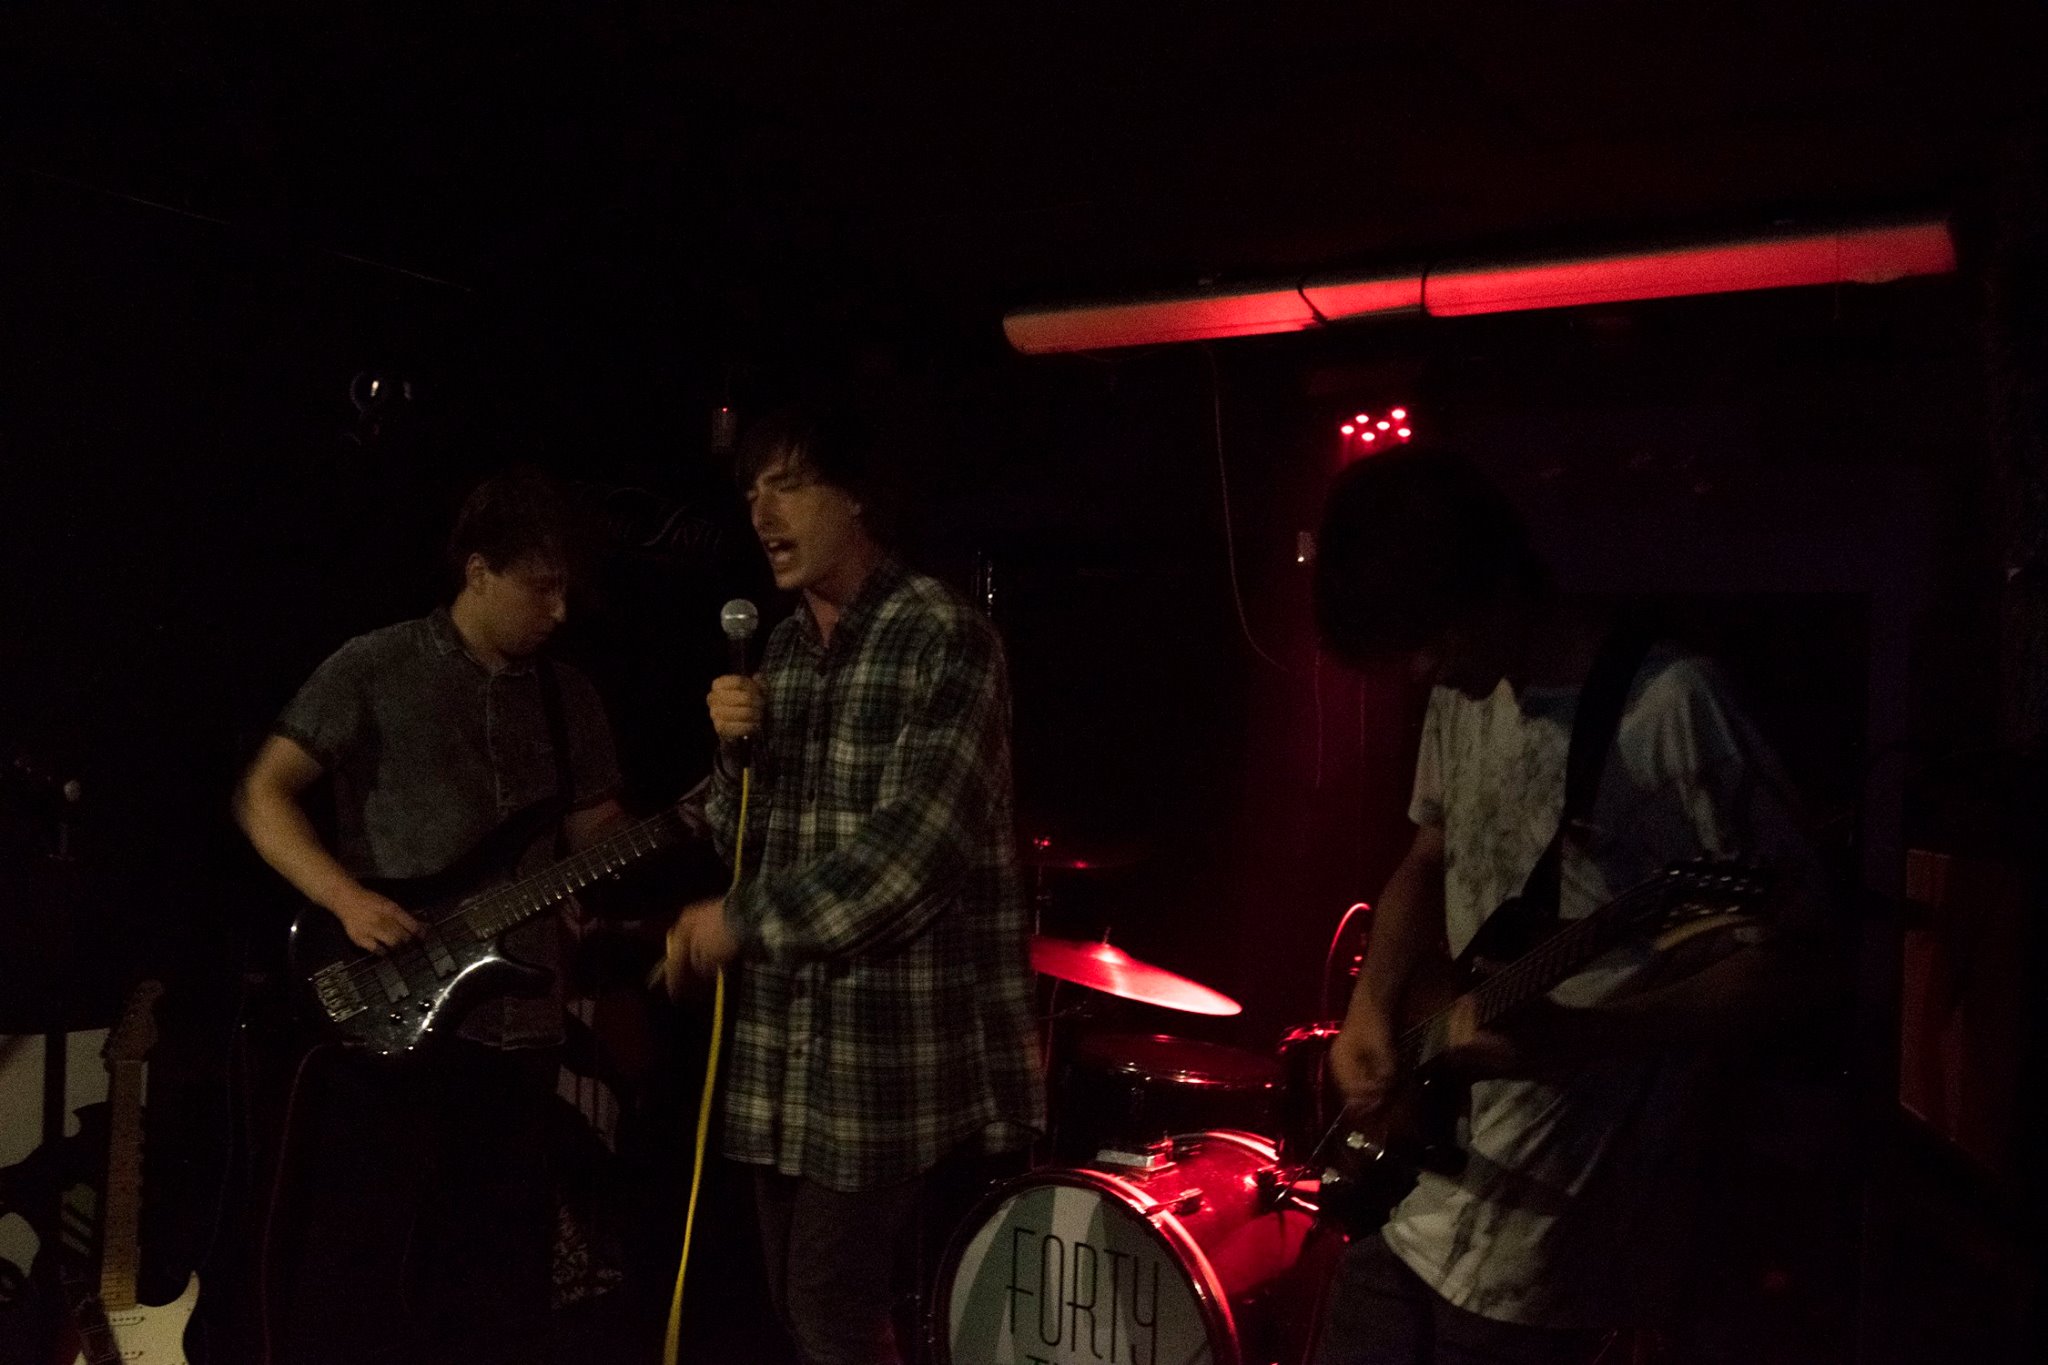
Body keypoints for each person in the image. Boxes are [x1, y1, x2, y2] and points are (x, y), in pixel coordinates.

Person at [1306, 448, 1831, 1364]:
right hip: (1419, 1193)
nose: (1421, 667)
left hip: (1556, 1240)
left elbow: (1791, 961)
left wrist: (1589, 1036)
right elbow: (1428, 855)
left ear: (1493, 581)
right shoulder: (1463, 689)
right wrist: (1370, 1004)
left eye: (1431, 637)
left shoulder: (1669, 706)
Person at [663, 407, 1045, 1365]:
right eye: (752, 491)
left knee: (833, 1313)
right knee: (799, 1312)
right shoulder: (780, 652)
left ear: (857, 495)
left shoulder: (943, 637)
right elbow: (738, 835)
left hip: (888, 1057)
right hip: (783, 1052)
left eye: (788, 484)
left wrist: (740, 921)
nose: (762, 513)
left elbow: (915, 856)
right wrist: (731, 749)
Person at [234, 466, 626, 1365]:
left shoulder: (569, 696)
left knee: (498, 1285)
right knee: (359, 1271)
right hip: (392, 1022)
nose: (560, 610)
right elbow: (262, 795)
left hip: (522, 1028)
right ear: (479, 572)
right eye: (541, 587)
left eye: (568, 588)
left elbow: (595, 833)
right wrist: (345, 896)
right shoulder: (374, 666)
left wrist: (669, 828)